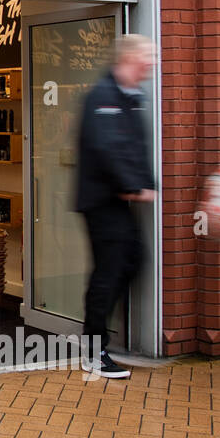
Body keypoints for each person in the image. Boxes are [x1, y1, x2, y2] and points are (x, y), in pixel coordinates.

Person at [75, 34, 157, 379]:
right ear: (130, 59)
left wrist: (146, 182)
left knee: (132, 262)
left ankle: (100, 339)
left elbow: (135, 147)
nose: (153, 62)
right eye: (148, 55)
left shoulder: (131, 97)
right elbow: (107, 147)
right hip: (102, 201)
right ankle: (93, 350)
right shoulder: (104, 97)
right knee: (108, 273)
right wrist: (134, 186)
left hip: (119, 201)